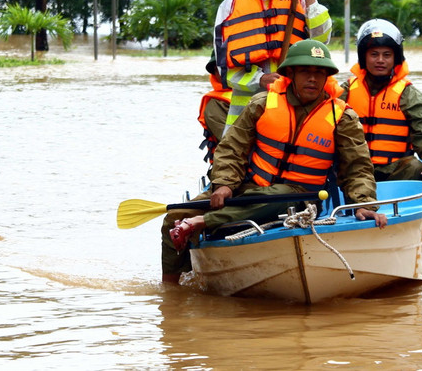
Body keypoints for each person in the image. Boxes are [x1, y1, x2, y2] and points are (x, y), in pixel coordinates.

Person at [169, 40, 387, 254]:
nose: (312, 79)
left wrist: (364, 203)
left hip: (300, 196)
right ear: (290, 74)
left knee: (280, 195)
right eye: (304, 71)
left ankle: (202, 222)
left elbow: (357, 168)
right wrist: (224, 184)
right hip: (250, 187)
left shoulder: (342, 117)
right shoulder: (262, 103)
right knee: (172, 217)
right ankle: (172, 283)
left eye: (320, 73)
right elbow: (231, 148)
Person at [213, 0, 332, 135]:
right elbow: (223, 65)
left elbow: (322, 40)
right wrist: (259, 79)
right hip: (245, 109)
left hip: (293, 100)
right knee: (230, 164)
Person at [340, 19, 422, 187]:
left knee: (414, 166)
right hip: (353, 169)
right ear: (364, 57)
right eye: (374, 54)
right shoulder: (345, 91)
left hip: (392, 171)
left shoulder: (407, 94)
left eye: (387, 55)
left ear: (395, 58)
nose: (380, 60)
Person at [160, 53, 230, 284]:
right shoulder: (217, 104)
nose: (228, 72)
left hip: (273, 178)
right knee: (174, 219)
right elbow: (235, 145)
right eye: (223, 68)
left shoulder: (273, 96)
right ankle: (171, 290)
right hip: (227, 180)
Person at [198, 52, 231, 167]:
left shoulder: (260, 92)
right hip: (231, 169)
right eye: (218, 68)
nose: (223, 72)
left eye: (227, 66)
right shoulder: (215, 105)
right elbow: (231, 145)